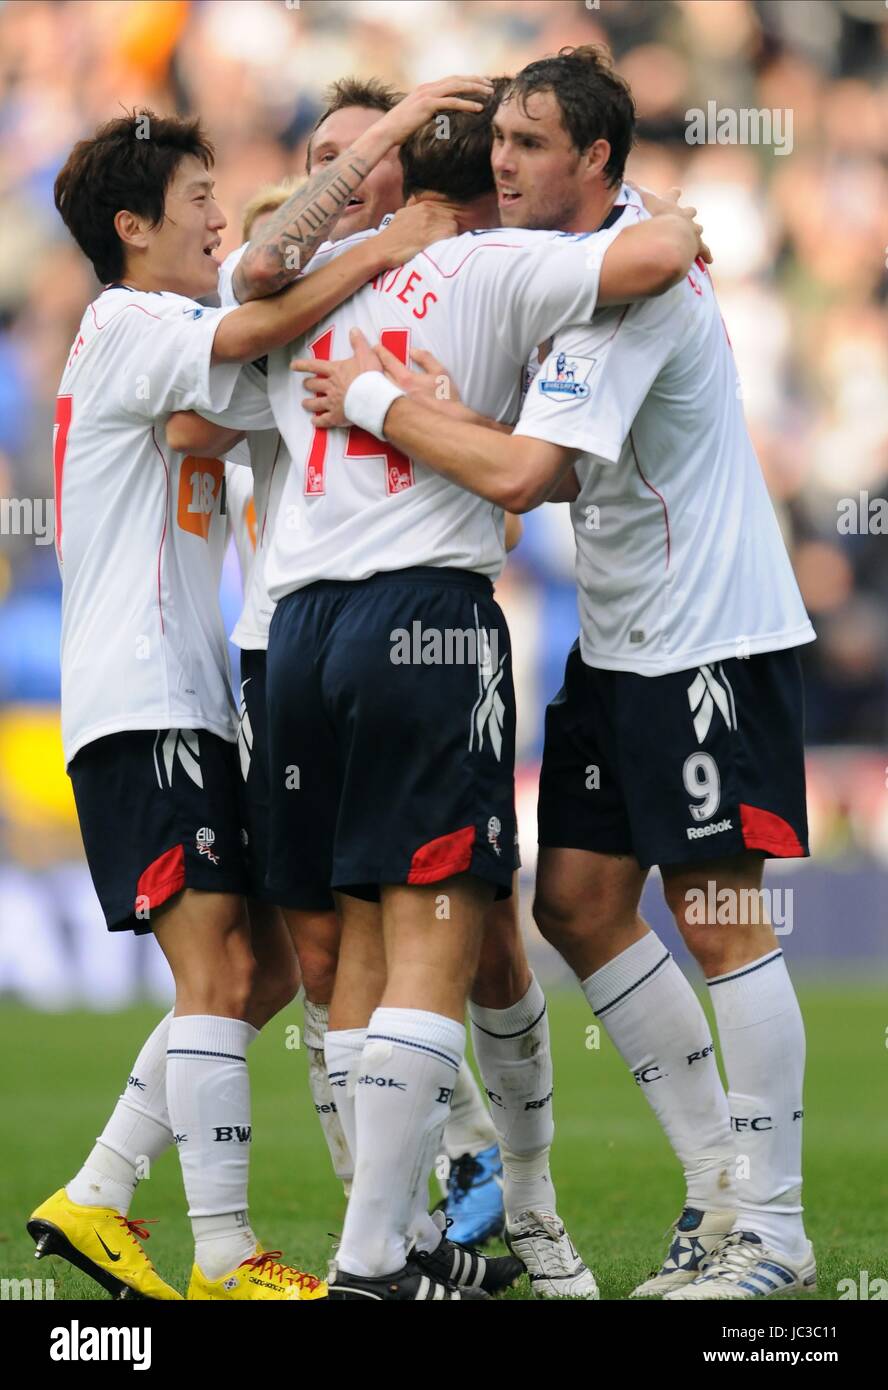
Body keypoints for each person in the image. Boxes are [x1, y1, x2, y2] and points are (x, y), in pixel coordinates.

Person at [302, 46, 817, 1303]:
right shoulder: (589, 266)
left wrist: (374, 396)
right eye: (501, 140)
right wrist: (445, 412)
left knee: (719, 917)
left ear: (593, 159)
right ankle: (716, 1191)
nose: (503, 160)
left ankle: (774, 1229)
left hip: (707, 636)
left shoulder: (629, 289)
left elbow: (528, 480)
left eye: (531, 144)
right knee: (577, 902)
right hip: (622, 639)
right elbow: (565, 463)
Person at [178, 83, 703, 1298]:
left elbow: (253, 268)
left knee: (354, 944)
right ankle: (376, 1256)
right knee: (440, 938)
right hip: (423, 617)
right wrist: (665, 206)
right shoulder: (506, 261)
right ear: (490, 180)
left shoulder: (326, 268)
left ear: (395, 174)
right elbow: (660, 254)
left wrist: (382, 137)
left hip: (295, 629)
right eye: (511, 150)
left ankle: (403, 1236)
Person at [29, 74, 491, 1302]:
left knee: (273, 966)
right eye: (198, 199)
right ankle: (228, 1255)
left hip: (191, 697)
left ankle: (97, 1193)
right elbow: (248, 331)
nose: (219, 221)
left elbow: (257, 369)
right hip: (144, 699)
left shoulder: (159, 347)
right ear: (133, 226)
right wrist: (387, 213)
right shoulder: (132, 324)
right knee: (219, 979)